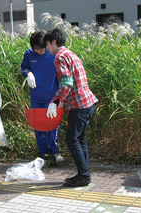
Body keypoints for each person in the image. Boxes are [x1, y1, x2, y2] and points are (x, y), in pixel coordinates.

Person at [43, 28, 98, 187]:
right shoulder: (71, 54)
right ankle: (83, 174)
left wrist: (54, 103)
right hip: (88, 102)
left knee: (71, 140)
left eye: (47, 44)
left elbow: (66, 83)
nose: (47, 48)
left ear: (54, 42)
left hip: (78, 104)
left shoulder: (59, 57)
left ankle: (84, 176)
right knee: (79, 139)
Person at [21, 31, 64, 163]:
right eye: (36, 49)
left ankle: (55, 152)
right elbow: (24, 67)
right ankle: (42, 153)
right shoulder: (29, 54)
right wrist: (28, 73)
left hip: (51, 95)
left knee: (52, 124)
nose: (39, 51)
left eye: (42, 48)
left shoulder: (52, 53)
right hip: (36, 96)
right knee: (38, 125)